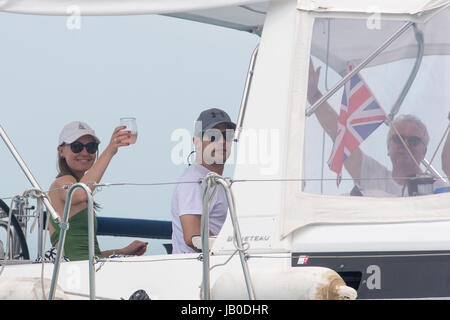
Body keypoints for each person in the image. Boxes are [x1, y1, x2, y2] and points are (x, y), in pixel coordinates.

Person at [307, 59, 449, 196]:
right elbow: (340, 136)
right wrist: (314, 96)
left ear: (424, 152)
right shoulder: (373, 176)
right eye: (398, 139)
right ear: (388, 148)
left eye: (413, 141)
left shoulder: (439, 190)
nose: (405, 145)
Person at [47, 121, 148, 261]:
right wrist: (110, 150)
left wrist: (123, 251)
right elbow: (80, 193)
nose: (85, 152)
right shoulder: (61, 183)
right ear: (61, 151)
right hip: (72, 273)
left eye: (91, 147)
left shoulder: (77, 184)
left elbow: (89, 254)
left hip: (86, 268)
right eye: (77, 147)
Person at [171, 108, 236, 253]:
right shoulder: (194, 180)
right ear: (197, 142)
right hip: (197, 271)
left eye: (227, 135)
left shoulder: (213, 180)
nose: (222, 142)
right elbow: (194, 238)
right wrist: (234, 250)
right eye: (213, 136)